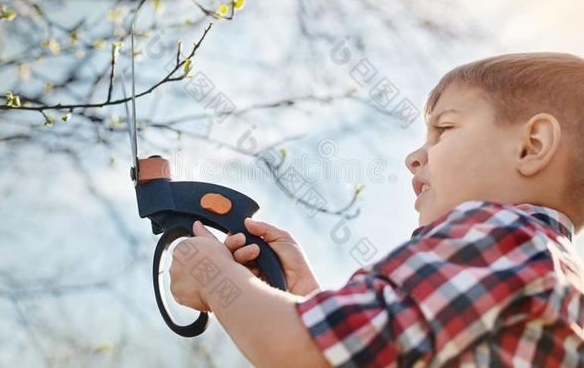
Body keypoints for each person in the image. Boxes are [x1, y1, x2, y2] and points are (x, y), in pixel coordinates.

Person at [170, 52, 584, 367]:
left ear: (532, 146)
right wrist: (307, 299)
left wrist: (213, 274)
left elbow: (305, 353)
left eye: (445, 129)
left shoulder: (500, 236)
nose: (415, 156)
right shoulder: (537, 268)